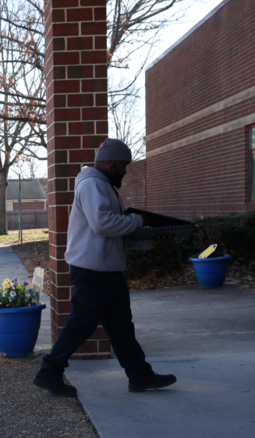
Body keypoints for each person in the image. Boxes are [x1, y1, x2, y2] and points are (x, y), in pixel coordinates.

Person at [33, 138, 176, 397]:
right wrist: (138, 220)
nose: (124, 171)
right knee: (81, 325)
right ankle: (49, 372)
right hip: (93, 272)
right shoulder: (91, 184)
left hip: (107, 270)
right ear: (109, 161)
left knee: (121, 326)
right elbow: (103, 225)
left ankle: (140, 375)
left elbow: (112, 235)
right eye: (122, 165)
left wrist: (150, 243)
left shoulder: (103, 186)